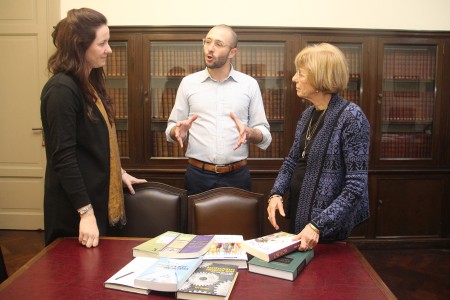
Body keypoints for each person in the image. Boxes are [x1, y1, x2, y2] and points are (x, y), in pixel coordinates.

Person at [40, 8, 146, 248]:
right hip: (75, 212)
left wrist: (117, 173)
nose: (109, 50)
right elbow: (64, 158)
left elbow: (94, 143)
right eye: (103, 43)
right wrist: (86, 214)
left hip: (96, 200)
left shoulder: (89, 83)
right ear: (80, 46)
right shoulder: (61, 90)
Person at [267, 43, 370, 252]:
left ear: (319, 78)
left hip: (328, 230)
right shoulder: (307, 115)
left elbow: (356, 186)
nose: (294, 78)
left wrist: (317, 225)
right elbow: (292, 160)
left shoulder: (351, 117)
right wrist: (276, 193)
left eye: (300, 73)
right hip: (299, 215)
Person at [165, 24, 272, 195]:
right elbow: (170, 128)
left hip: (237, 176)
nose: (210, 48)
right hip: (197, 176)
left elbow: (265, 135)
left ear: (232, 53)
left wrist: (250, 132)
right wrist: (176, 130)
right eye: (207, 42)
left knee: (238, 223)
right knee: (195, 223)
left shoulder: (249, 85)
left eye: (219, 44)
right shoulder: (188, 83)